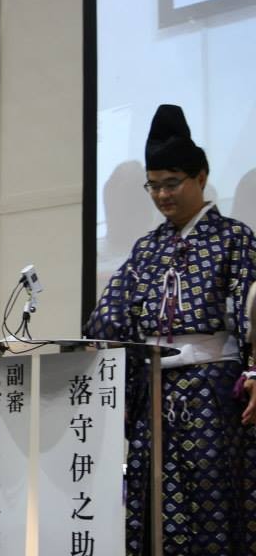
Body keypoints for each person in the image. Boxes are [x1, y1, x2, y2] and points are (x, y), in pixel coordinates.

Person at [83, 104, 256, 555]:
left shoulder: (234, 238)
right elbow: (110, 315)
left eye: (172, 183)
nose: (162, 195)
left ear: (201, 177)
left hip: (213, 396)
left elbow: (252, 312)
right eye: (154, 185)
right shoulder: (146, 248)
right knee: (153, 499)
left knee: (212, 501)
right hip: (153, 394)